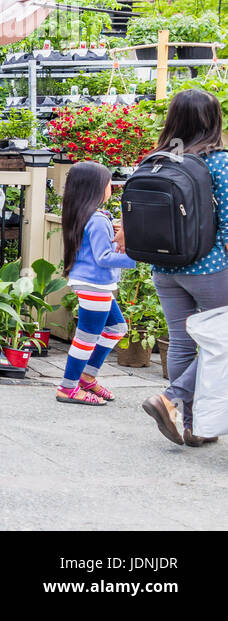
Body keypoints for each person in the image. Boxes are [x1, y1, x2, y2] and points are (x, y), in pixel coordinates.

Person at [141, 89, 228, 446]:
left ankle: (187, 425)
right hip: (209, 267)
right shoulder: (219, 161)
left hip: (165, 266)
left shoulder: (157, 158)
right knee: (218, 342)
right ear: (214, 119)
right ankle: (171, 398)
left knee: (181, 341)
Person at [56, 161, 136, 406]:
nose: (111, 187)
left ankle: (87, 377)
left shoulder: (85, 215)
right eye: (109, 183)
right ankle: (68, 387)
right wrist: (135, 255)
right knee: (87, 338)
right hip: (95, 285)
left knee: (116, 329)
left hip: (91, 283)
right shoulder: (98, 219)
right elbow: (103, 258)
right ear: (97, 188)